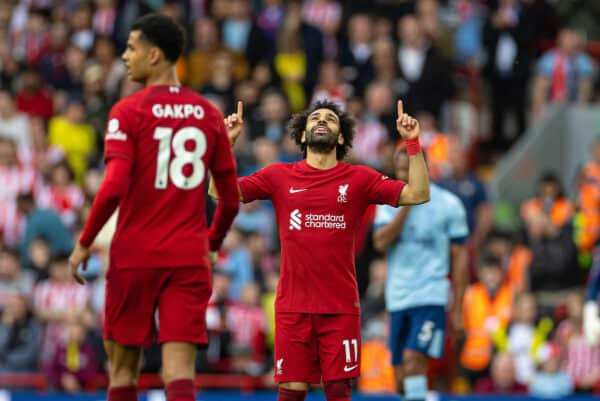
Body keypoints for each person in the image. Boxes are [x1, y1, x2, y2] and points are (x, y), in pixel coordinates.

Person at [67, 14, 240, 401]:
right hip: (188, 257)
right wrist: (211, 246)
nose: (125, 57)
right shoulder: (208, 114)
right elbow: (230, 198)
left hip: (135, 256)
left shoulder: (128, 111)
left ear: (155, 55)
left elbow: (113, 186)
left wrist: (84, 241)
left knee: (123, 372)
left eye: (131, 48)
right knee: (179, 375)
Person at [209, 99, 430, 401]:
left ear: (341, 137)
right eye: (315, 118)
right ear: (302, 135)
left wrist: (413, 143)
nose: (322, 120)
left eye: (330, 118)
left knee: (338, 392)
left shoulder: (360, 178)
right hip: (292, 307)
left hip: (339, 307)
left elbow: (418, 193)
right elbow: (218, 192)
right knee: (291, 393)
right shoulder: (278, 176)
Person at [373, 144, 469, 401]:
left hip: (431, 295)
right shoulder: (387, 200)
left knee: (414, 359)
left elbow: (460, 259)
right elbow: (380, 242)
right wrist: (406, 205)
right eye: (399, 170)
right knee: (401, 376)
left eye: (409, 169)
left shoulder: (449, 204)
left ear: (422, 167)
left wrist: (458, 308)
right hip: (398, 297)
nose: (403, 175)